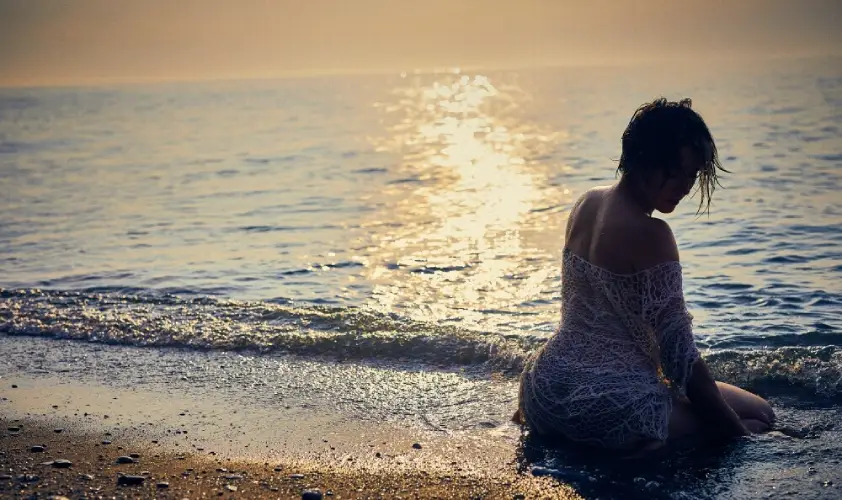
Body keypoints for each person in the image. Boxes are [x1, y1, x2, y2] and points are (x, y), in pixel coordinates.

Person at [515, 98, 775, 451]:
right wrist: (738, 437)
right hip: (611, 406)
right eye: (674, 171)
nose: (685, 185)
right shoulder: (652, 233)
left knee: (739, 411)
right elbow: (679, 353)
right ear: (643, 159)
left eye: (692, 174)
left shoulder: (586, 202)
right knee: (760, 416)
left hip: (545, 389)